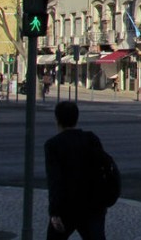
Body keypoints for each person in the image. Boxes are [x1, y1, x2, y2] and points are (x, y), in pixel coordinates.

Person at [45, 101, 109, 240]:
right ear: (76, 118)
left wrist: (54, 212)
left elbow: (55, 180)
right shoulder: (91, 138)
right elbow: (104, 168)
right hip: (93, 205)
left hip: (67, 208)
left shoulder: (53, 145)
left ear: (57, 120)